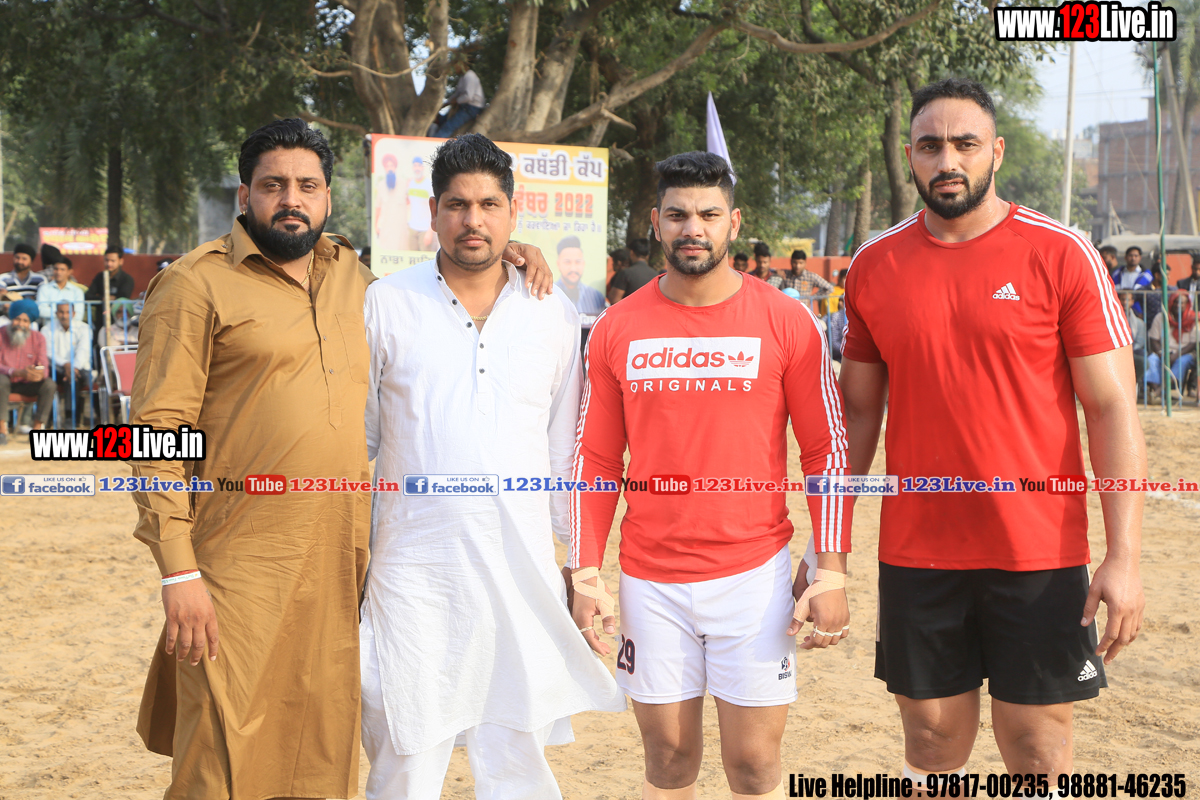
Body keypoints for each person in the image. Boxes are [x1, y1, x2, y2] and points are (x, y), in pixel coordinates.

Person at [127, 118, 557, 800]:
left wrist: (510, 253)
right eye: (273, 185)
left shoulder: (355, 280)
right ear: (245, 195)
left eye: (307, 186)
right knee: (221, 742)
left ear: (327, 197)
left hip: (342, 563)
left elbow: (447, 280)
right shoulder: (194, 284)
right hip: (238, 560)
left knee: (318, 746)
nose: (290, 200)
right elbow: (154, 433)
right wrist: (178, 570)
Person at [839, 78, 1145, 786]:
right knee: (930, 740)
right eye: (929, 146)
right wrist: (830, 546)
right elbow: (857, 413)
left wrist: (1124, 556)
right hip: (918, 550)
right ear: (910, 156)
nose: (947, 160)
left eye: (965, 144)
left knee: (1038, 750)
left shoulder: (1061, 252)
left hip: (1037, 551)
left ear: (996, 152)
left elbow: (1111, 408)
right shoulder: (876, 264)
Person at [570, 151, 852, 800]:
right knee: (668, 760)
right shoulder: (617, 326)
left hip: (753, 577)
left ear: (734, 222)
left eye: (708, 214)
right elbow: (596, 459)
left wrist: (831, 568)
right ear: (656, 223)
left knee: (752, 766)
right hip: (651, 579)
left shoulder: (788, 321)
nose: (692, 228)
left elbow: (825, 450)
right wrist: (584, 572)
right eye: (677, 215)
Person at [360, 133, 624, 800]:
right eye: (456, 205)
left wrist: (581, 569)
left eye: (488, 205)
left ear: (512, 213)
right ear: (433, 212)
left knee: (516, 760)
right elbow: (358, 439)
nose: (472, 220)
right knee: (404, 759)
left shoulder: (550, 311)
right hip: (412, 573)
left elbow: (563, 451)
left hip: (519, 570)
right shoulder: (386, 302)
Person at [0, 299, 54, 443]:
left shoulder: (38, 338)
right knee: (0, 380)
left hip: (28, 383)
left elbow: (44, 366)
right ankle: (2, 430)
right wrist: (15, 371)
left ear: (30, 322)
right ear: (12, 318)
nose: (21, 324)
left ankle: (37, 429)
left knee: (49, 385)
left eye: (25, 321)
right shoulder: (1, 334)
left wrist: (38, 374)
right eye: (17, 319)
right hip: (6, 381)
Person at [49, 302, 93, 427]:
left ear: (73, 313)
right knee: (53, 379)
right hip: (57, 368)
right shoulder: (48, 328)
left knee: (73, 378)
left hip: (81, 368)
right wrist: (66, 364)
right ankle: (61, 418)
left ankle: (71, 417)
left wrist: (74, 367)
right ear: (56, 313)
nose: (64, 315)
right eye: (61, 312)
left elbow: (83, 351)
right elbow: (49, 352)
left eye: (68, 312)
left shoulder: (84, 328)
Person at [1147, 290, 1197, 399]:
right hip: (1163, 351)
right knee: (1151, 359)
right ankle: (1160, 394)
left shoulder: (1192, 319)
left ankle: (1157, 393)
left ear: (1187, 304)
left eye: (1182, 303)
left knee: (1182, 361)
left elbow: (1192, 344)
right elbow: (1154, 340)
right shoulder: (1161, 317)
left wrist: (1176, 355)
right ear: (1171, 302)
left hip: (1184, 353)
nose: (1178, 305)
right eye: (1176, 302)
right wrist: (1161, 353)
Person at [85, 246, 136, 329]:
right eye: (106, 260)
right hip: (101, 323)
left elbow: (123, 298)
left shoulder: (127, 279)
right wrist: (103, 298)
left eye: (112, 261)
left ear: (121, 261)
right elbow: (88, 296)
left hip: (120, 325)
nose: (109, 264)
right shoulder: (100, 277)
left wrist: (114, 299)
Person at [435, 59, 487, 138]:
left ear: (461, 65)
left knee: (448, 126)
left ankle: (435, 142)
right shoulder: (463, 77)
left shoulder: (470, 76)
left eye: (455, 67)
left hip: (472, 108)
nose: (454, 69)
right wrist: (446, 104)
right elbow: (457, 94)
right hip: (465, 106)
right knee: (442, 120)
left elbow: (468, 97)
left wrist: (456, 101)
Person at [769, 250, 834, 306]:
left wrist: (812, 298)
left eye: (801, 263)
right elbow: (767, 270)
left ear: (805, 263)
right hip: (787, 308)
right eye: (795, 263)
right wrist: (775, 270)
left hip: (803, 309)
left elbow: (829, 288)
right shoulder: (784, 274)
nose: (798, 266)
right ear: (791, 262)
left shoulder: (811, 276)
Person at [36, 257, 87, 323]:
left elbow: (79, 315)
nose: (58, 272)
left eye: (62, 270)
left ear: (70, 272)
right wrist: (66, 313)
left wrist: (57, 312)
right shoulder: (44, 289)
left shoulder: (77, 291)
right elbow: (41, 311)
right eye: (56, 269)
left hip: (72, 328)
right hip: (50, 327)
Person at [2, 244, 46, 316]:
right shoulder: (3, 278)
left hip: (32, 318)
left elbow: (41, 302)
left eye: (24, 259)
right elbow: (4, 301)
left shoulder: (40, 280)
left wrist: (12, 298)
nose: (20, 261)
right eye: (17, 258)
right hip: (9, 317)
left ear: (31, 261)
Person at [607, 238, 657, 303]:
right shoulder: (655, 275)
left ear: (631, 253)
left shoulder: (626, 273)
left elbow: (614, 299)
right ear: (647, 256)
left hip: (628, 309)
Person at [405, 156, 436, 251]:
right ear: (412, 168)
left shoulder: (428, 185)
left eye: (419, 165)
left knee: (424, 257)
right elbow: (407, 202)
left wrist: (430, 232)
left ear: (422, 168)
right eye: (415, 166)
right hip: (412, 228)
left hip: (425, 229)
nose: (417, 168)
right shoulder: (410, 183)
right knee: (412, 258)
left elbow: (435, 208)